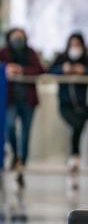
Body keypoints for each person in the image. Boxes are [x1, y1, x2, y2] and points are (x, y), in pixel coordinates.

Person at [49, 33, 88, 189]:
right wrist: (62, 69)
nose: (75, 47)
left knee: (79, 125)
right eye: (72, 44)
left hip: (82, 105)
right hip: (65, 105)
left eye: (78, 44)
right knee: (76, 125)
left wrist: (83, 70)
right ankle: (75, 158)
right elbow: (50, 70)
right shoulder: (61, 58)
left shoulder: (86, 59)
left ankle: (74, 161)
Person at [0, 28, 45, 187]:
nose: (18, 40)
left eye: (20, 37)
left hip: (28, 101)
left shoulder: (30, 53)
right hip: (10, 100)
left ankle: (21, 166)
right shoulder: (3, 52)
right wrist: (7, 68)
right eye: (15, 37)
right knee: (10, 127)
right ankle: (14, 154)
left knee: (25, 135)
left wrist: (21, 69)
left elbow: (40, 69)